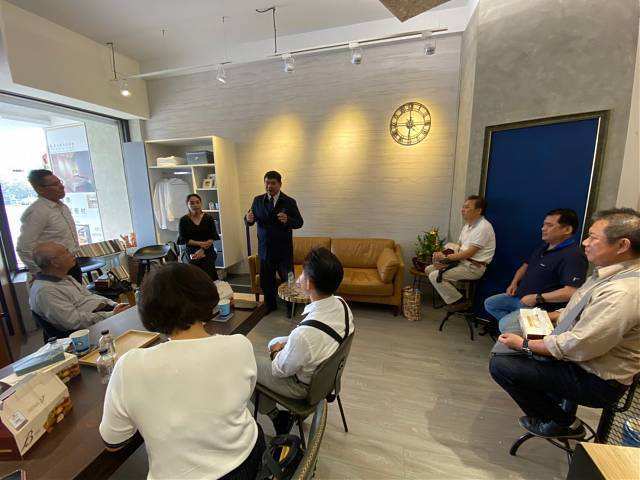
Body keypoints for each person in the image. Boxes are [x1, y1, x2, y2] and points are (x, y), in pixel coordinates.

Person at [100, 263, 265, 480]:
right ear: (207, 297)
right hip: (248, 457)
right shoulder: (239, 345)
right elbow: (243, 396)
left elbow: (113, 441)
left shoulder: (129, 366)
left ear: (148, 311)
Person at [490, 208, 640, 439]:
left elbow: (578, 345)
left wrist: (524, 344)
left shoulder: (623, 293)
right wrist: (548, 317)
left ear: (622, 245)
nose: (586, 243)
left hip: (596, 379)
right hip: (579, 357)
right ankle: (554, 408)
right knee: (509, 336)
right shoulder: (607, 274)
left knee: (502, 365)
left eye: (593, 238)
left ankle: (563, 423)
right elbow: (579, 310)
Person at [255, 247, 354, 435]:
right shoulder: (342, 304)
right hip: (328, 378)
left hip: (304, 389)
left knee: (246, 366)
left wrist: (276, 352)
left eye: (302, 273)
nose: (299, 278)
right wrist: (287, 343)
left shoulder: (303, 335)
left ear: (309, 283)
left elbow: (279, 370)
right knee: (276, 341)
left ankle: (277, 416)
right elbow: (315, 339)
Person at [484, 209, 588, 333]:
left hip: (540, 306)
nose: (543, 228)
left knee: (505, 324)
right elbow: (525, 265)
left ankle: (519, 330)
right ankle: (521, 329)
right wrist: (514, 283)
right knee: (491, 304)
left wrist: (537, 298)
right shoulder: (544, 247)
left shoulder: (574, 256)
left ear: (567, 229)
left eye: (549, 225)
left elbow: (571, 292)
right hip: (520, 297)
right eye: (544, 225)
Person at [29, 242, 130, 332]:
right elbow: (74, 322)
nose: (72, 254)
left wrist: (114, 304)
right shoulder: (46, 292)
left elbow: (90, 296)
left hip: (102, 314)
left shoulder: (64, 277)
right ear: (55, 263)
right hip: (90, 329)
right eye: (66, 252)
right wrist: (111, 315)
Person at [245, 171, 303, 312]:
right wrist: (248, 219)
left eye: (273, 183)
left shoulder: (289, 201)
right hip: (265, 250)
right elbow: (250, 218)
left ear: (280, 184)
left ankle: (291, 307)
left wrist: (288, 220)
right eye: (267, 183)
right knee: (267, 281)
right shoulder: (258, 200)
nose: (269, 186)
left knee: (288, 281)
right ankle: (270, 306)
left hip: (284, 251)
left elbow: (299, 222)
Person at [425, 195, 495, 309]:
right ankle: (456, 297)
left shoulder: (484, 227)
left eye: (467, 207)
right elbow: (459, 247)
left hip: (474, 267)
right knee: (429, 269)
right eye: (463, 207)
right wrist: (443, 256)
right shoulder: (467, 226)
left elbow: (469, 253)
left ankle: (461, 302)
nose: (463, 210)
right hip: (462, 262)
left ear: (478, 211)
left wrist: (446, 258)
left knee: (435, 275)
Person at [17, 169, 82, 282]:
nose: (61, 186)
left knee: (78, 293)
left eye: (60, 182)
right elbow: (23, 248)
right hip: (54, 271)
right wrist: (42, 272)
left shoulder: (62, 207)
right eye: (55, 184)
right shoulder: (37, 211)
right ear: (40, 189)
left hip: (70, 264)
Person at [177, 193, 220, 281]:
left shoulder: (208, 218)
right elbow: (183, 239)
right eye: (192, 203)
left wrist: (203, 249)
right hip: (192, 251)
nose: (195, 205)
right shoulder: (183, 220)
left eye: (197, 202)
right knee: (195, 278)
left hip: (207, 250)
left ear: (201, 203)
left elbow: (212, 236)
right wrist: (200, 244)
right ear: (187, 204)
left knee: (209, 277)